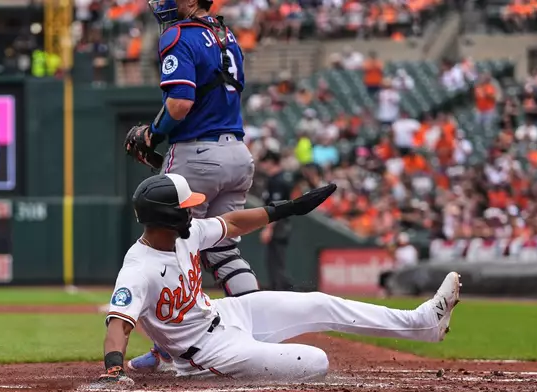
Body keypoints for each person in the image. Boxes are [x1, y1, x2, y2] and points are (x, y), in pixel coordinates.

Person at [94, 174, 461, 386]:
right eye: (186, 206)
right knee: (316, 362)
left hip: (228, 313)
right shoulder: (138, 268)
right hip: (204, 354)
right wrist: (113, 368)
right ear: (168, 216)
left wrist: (289, 209)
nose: (193, 210)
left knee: (320, 302)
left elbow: (235, 223)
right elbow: (118, 324)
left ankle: (423, 323)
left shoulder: (186, 233)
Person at [122, 0, 261, 372]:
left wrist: (153, 133)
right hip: (237, 151)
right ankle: (259, 333)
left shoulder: (178, 34)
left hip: (197, 154)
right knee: (225, 250)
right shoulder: (226, 33)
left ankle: (168, 350)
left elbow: (181, 104)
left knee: (172, 249)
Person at [259, 150, 294, 291]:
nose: (263, 165)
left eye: (265, 161)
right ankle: (281, 290)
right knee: (274, 262)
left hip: (279, 225)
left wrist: (268, 228)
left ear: (271, 162)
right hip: (280, 224)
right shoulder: (278, 178)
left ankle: (284, 291)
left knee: (276, 262)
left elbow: (276, 209)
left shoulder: (278, 180)